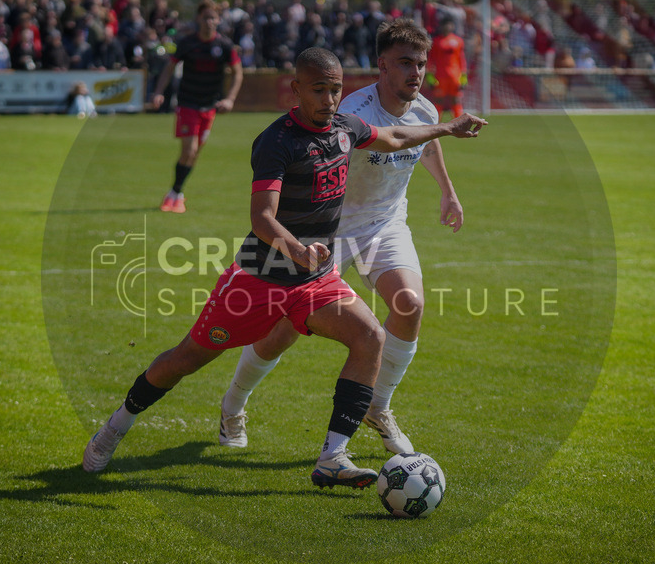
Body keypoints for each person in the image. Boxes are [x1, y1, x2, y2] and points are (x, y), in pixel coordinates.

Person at [82, 47, 487, 490]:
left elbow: (392, 137)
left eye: (335, 90)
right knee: (185, 360)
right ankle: (115, 427)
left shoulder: (345, 127)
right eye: (319, 90)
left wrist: (447, 127)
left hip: (314, 279)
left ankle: (333, 456)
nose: (330, 100)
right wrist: (296, 250)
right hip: (259, 279)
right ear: (296, 89)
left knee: (369, 336)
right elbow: (262, 217)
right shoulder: (277, 141)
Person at [218, 18, 463, 455]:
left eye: (421, 64)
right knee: (281, 332)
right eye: (405, 63)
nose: (416, 73)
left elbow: (425, 141)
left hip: (387, 223)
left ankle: (377, 406)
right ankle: (234, 403)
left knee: (410, 304)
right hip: (329, 231)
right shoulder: (350, 111)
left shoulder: (426, 109)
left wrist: (448, 192)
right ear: (381, 66)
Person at [151, 0, 244, 214]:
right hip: (188, 104)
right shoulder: (187, 43)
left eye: (213, 18)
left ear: (218, 20)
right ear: (198, 19)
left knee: (194, 154)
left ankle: (176, 193)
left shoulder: (224, 46)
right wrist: (158, 92)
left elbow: (238, 72)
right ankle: (175, 193)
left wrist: (230, 98)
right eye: (205, 18)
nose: (209, 22)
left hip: (209, 107)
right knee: (189, 150)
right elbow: (169, 68)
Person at [426, 19, 467, 117]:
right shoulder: (435, 42)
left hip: (455, 76)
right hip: (440, 77)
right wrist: (430, 77)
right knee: (438, 101)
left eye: (448, 25)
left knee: (456, 100)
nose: (446, 27)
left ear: (452, 26)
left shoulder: (458, 41)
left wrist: (464, 77)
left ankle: (460, 125)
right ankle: (435, 124)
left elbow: (461, 59)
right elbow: (430, 60)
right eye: (444, 25)